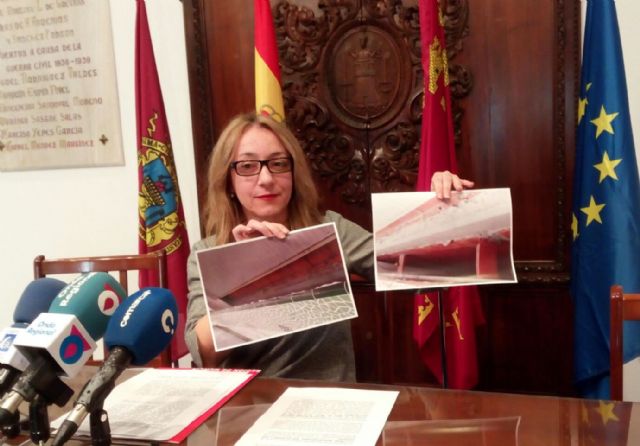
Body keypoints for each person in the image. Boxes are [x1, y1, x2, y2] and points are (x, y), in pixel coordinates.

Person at [185, 112, 473, 381]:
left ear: (294, 172)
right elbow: (205, 353)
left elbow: (426, 269)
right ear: (228, 180)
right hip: (251, 403)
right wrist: (249, 273)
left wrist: (443, 209)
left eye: (278, 163)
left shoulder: (329, 230)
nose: (266, 179)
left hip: (330, 401)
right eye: (247, 166)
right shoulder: (207, 252)